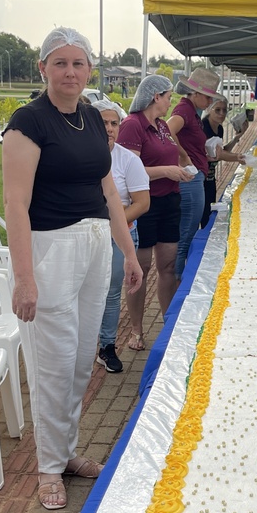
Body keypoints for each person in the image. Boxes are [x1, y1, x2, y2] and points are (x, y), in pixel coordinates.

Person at [2, 27, 143, 511]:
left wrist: (126, 251)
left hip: (95, 244)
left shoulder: (88, 116)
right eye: (59, 63)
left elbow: (109, 193)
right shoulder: (28, 121)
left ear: (89, 70)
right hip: (50, 249)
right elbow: (15, 204)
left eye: (77, 63)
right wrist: (24, 279)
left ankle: (67, 453)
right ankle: (47, 468)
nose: (69, 72)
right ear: (43, 68)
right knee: (53, 365)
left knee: (82, 359)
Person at [117, 74, 191, 350]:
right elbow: (127, 171)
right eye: (168, 96)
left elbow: (172, 156)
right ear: (155, 96)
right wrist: (166, 171)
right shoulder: (132, 126)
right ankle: (136, 330)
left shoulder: (161, 126)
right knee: (141, 269)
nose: (171, 102)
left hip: (169, 202)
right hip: (143, 205)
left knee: (168, 267)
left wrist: (180, 170)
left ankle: (168, 323)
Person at [91, 99, 150, 374]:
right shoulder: (80, 156)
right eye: (103, 122)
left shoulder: (128, 160)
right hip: (85, 236)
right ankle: (81, 346)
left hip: (119, 235)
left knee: (112, 292)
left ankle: (107, 346)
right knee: (84, 292)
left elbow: (141, 203)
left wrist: (111, 223)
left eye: (115, 123)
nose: (110, 128)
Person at [168, 68, 224, 278]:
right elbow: (166, 130)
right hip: (189, 180)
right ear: (196, 93)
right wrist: (183, 155)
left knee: (187, 235)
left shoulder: (192, 112)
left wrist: (202, 156)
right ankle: (177, 281)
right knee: (186, 237)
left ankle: (178, 277)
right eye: (208, 97)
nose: (210, 102)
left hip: (195, 174)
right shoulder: (183, 110)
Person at [200, 96, 246, 228]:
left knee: (208, 213)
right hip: (200, 178)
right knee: (200, 214)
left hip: (210, 178)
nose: (222, 114)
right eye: (217, 110)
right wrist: (237, 157)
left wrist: (237, 137)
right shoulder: (204, 128)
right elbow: (218, 154)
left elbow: (223, 151)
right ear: (209, 109)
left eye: (224, 110)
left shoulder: (219, 128)